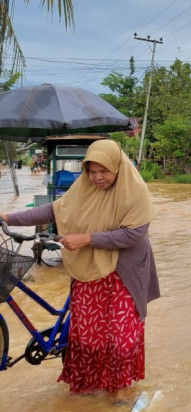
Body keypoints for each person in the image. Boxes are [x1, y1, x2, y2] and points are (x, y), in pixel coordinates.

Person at [0, 139, 159, 404]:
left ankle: (121, 387)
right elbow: (52, 210)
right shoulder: (82, 189)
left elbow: (134, 233)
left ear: (118, 167)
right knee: (87, 335)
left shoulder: (135, 191)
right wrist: (8, 217)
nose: (97, 177)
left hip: (124, 271)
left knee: (121, 336)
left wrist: (87, 239)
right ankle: (90, 386)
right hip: (89, 270)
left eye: (104, 171)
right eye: (91, 171)